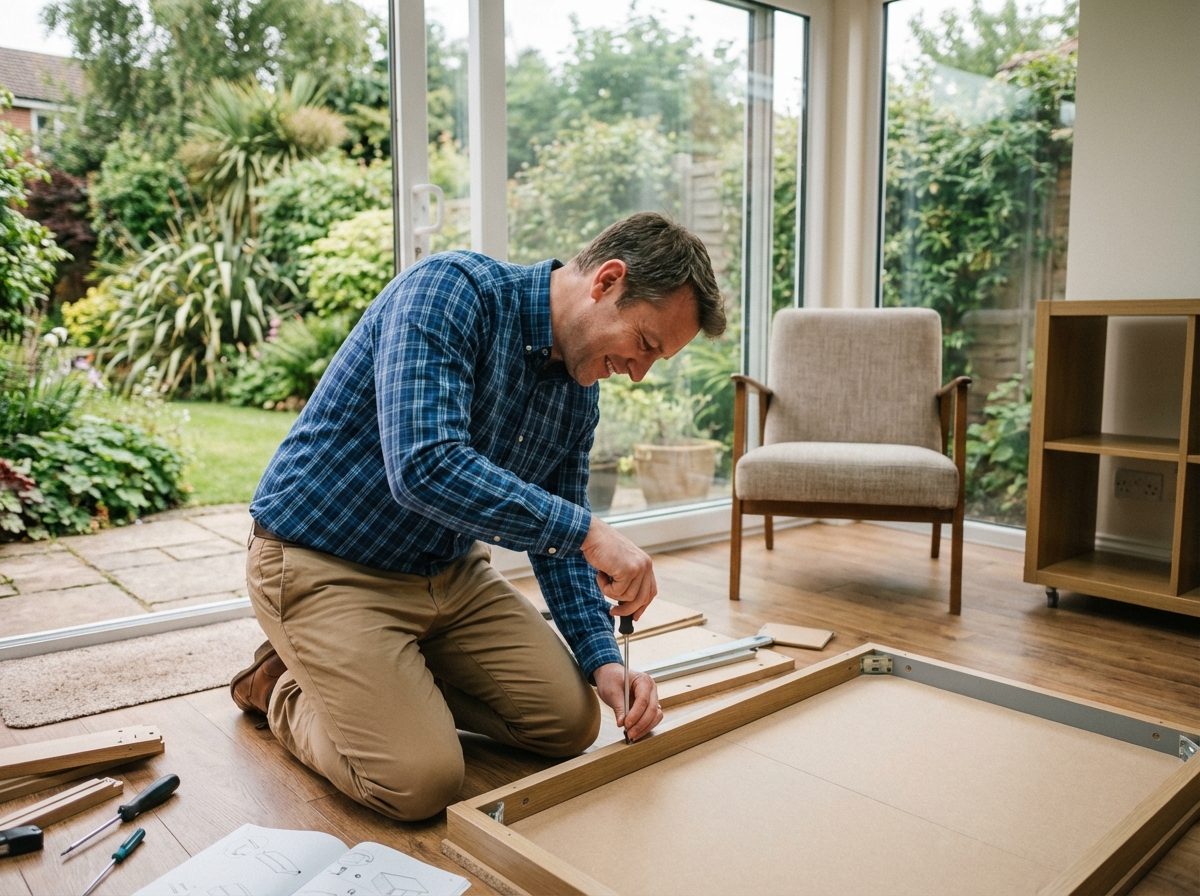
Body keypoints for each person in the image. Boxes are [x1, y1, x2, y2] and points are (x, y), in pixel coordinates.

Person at [231, 212, 726, 820]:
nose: (639, 370)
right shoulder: (449, 293)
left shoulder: (579, 391)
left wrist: (602, 659)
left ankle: (388, 679)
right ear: (607, 282)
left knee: (569, 723)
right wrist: (590, 531)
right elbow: (424, 466)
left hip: (447, 570)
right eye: (645, 344)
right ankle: (280, 683)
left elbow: (564, 545)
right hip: (321, 562)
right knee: (420, 783)